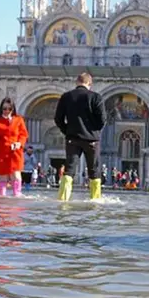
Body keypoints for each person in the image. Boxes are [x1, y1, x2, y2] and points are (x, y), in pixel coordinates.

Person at [54, 72, 106, 201]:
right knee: (94, 170)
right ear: (89, 84)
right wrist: (94, 131)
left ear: (77, 82)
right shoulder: (96, 97)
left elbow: (58, 118)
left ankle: (63, 199)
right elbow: (103, 119)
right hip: (92, 139)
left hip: (73, 138)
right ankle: (95, 200)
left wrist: (67, 130)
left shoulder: (66, 97)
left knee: (69, 169)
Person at [0, 97, 29, 197]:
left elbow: (24, 135)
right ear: (1, 108)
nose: (7, 111)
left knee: (16, 175)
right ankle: (2, 196)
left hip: (15, 152)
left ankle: (17, 194)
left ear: (13, 109)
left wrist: (19, 143)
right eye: (4, 108)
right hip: (0, 151)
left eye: (9, 109)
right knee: (3, 177)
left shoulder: (19, 119)